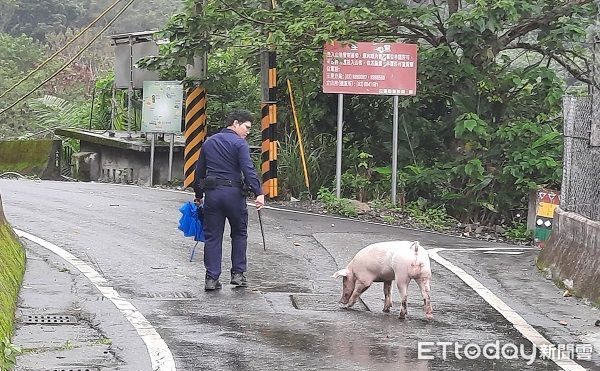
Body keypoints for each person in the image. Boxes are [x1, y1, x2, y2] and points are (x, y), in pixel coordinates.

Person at [193, 109, 265, 291]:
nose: (248, 132)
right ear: (235, 123)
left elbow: (199, 172)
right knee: (239, 233)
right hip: (233, 195)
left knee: (213, 237)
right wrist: (259, 192)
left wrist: (198, 195)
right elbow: (248, 170)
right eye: (246, 127)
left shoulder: (209, 142)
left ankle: (211, 278)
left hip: (213, 195)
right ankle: (238, 275)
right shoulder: (240, 144)